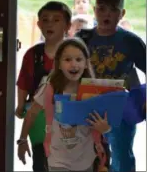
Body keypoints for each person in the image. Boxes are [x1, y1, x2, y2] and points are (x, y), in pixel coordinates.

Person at [75, 0, 146, 172]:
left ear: (122, 14)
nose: (106, 14)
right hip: (88, 107)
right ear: (94, 10)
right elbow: (67, 69)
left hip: (121, 108)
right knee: (88, 157)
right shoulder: (83, 37)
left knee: (121, 156)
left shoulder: (131, 41)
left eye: (113, 10)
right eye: (102, 8)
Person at [17, 38, 111, 171]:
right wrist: (22, 140)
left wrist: (105, 129)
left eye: (79, 59)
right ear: (59, 64)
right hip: (57, 160)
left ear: (86, 64)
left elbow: (107, 122)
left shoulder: (94, 91)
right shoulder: (50, 88)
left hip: (86, 160)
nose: (73, 64)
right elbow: (32, 113)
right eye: (67, 60)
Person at [15, 1, 72, 171]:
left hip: (67, 120)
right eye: (45, 20)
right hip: (37, 117)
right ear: (38, 24)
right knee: (41, 160)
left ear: (67, 25)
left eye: (56, 20)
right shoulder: (33, 54)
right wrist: (20, 105)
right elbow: (24, 81)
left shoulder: (74, 52)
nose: (50, 24)